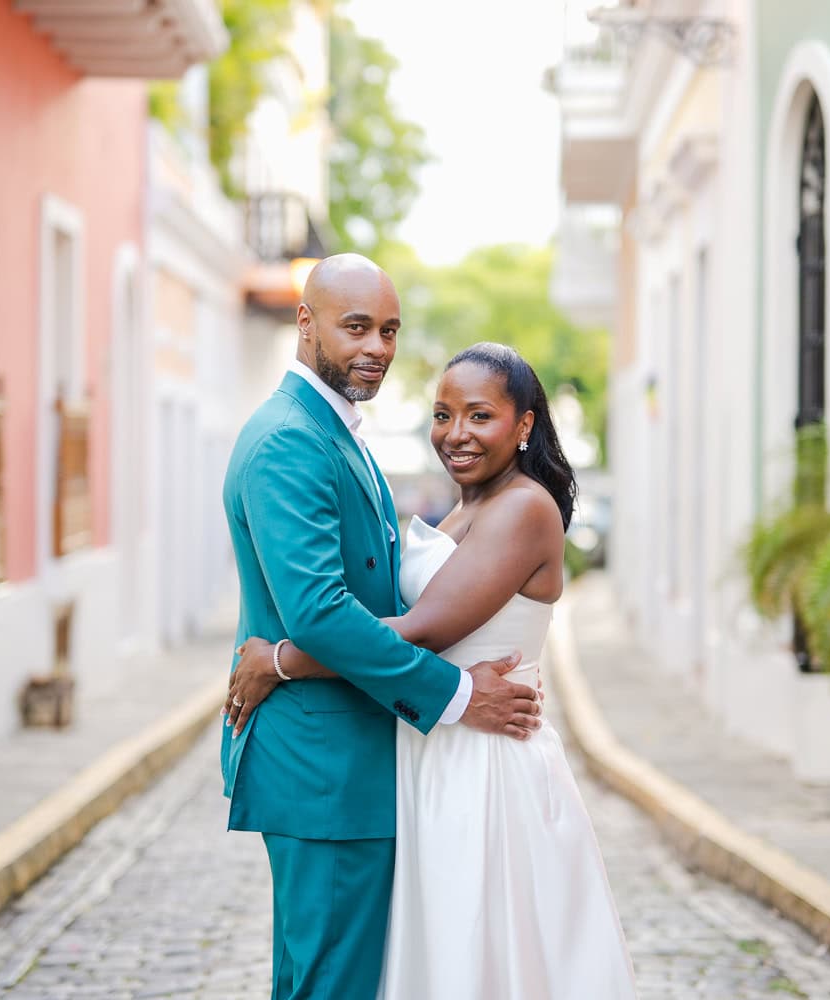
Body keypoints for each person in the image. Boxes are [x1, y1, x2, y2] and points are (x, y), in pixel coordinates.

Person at [227, 341, 640, 999]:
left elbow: (423, 629)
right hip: (438, 748)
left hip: (486, 763)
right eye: (443, 415)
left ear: (524, 424)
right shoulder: (469, 505)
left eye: (479, 416)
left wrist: (280, 661)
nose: (456, 434)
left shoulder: (524, 508)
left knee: (474, 953)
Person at [220, 254, 546, 1000]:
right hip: (327, 770)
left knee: (322, 981)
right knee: (333, 985)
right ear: (306, 324)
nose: (377, 347)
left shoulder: (336, 430)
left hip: (357, 762)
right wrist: (461, 695)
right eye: (357, 327)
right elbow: (323, 612)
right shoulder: (290, 441)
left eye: (390, 331)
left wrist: (278, 656)